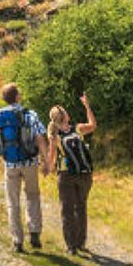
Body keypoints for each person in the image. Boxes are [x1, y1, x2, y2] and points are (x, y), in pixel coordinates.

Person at [0, 82, 46, 253]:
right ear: (17, 96)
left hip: (10, 164)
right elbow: (39, 138)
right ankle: (35, 232)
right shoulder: (30, 114)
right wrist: (46, 160)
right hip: (30, 162)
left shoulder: (0, 115)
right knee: (32, 195)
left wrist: (5, 156)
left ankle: (17, 241)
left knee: (13, 202)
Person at [45, 93, 96, 256]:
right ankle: (81, 243)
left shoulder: (55, 135)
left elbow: (52, 158)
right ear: (65, 116)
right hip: (84, 174)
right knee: (81, 207)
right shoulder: (78, 129)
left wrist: (48, 168)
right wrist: (87, 106)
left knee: (67, 210)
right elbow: (93, 125)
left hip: (66, 175)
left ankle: (71, 246)